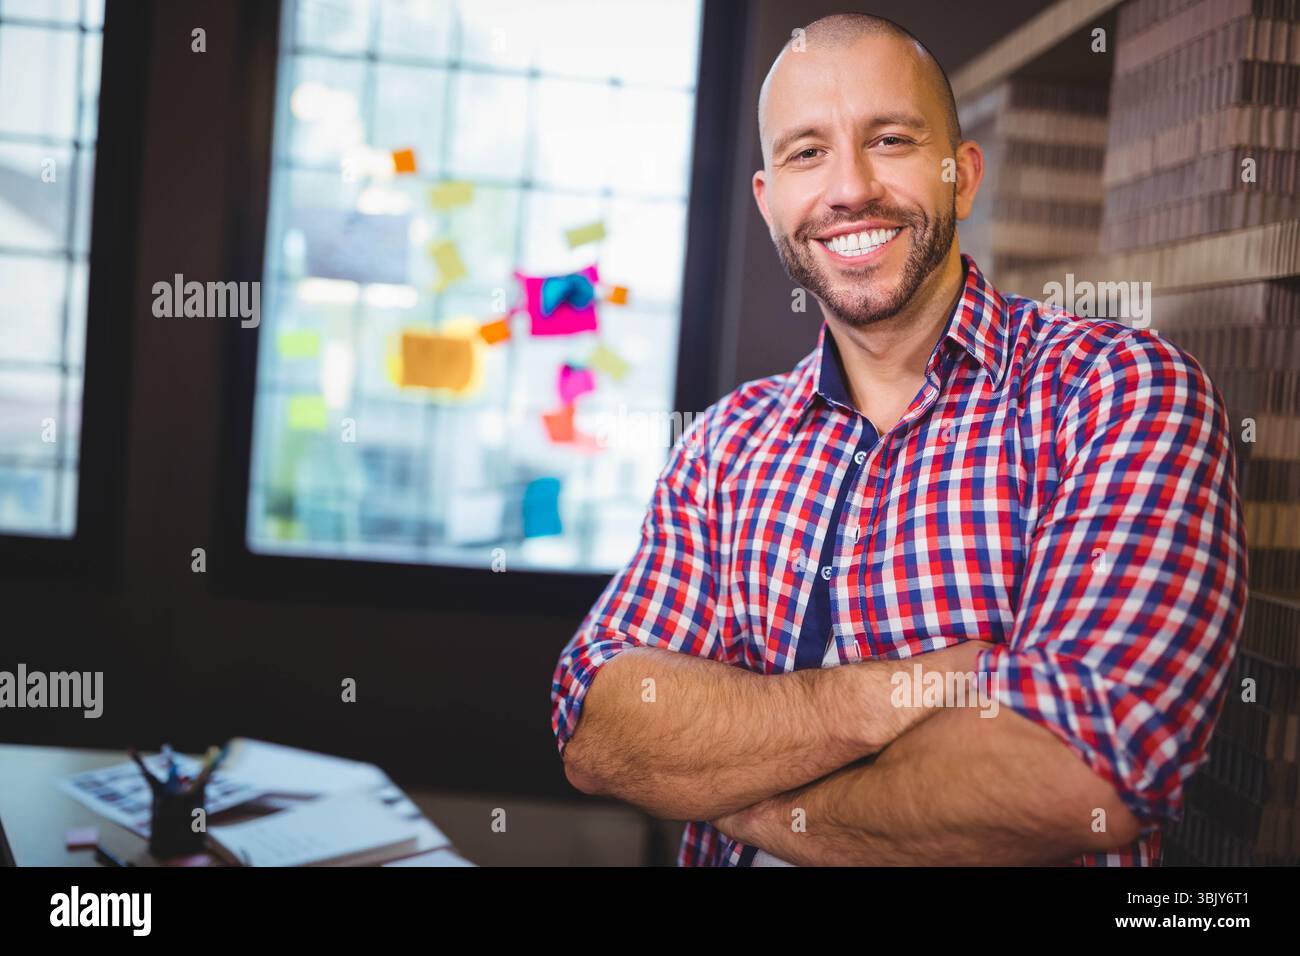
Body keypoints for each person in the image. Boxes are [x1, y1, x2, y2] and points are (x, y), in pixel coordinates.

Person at [550, 13, 1247, 866]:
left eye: (889, 139)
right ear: (770, 202)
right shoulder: (723, 448)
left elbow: (1075, 771)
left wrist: (745, 793)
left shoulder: (1117, 393)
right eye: (807, 153)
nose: (849, 190)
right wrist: (899, 693)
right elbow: (596, 721)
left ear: (963, 174)